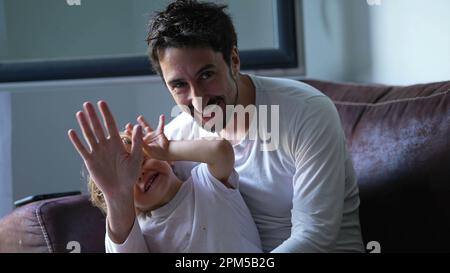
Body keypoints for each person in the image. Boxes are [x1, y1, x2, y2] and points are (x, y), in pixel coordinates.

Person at [146, 0, 364, 252]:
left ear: (234, 61)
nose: (198, 99)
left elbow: (315, 235)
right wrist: (115, 194)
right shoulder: (176, 139)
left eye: (206, 75)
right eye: (179, 85)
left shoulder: (307, 112)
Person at [67, 101, 262, 252]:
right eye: (131, 180)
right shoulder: (140, 232)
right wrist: (118, 194)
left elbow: (220, 150)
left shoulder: (205, 184)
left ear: (167, 160)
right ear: (130, 207)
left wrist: (168, 149)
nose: (140, 174)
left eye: (142, 161)